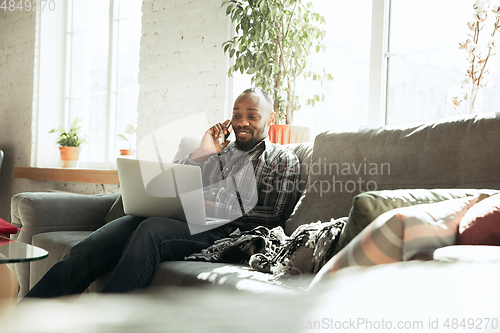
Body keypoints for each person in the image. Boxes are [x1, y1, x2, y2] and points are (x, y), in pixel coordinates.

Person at [24, 87, 301, 297]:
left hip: (226, 232)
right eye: (237, 115)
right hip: (184, 219)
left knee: (151, 230)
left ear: (271, 118)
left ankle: (103, 321)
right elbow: (173, 180)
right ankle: (26, 317)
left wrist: (213, 207)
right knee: (92, 245)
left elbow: (274, 216)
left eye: (252, 116)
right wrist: (202, 153)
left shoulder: (281, 158)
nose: (242, 122)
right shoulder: (219, 152)